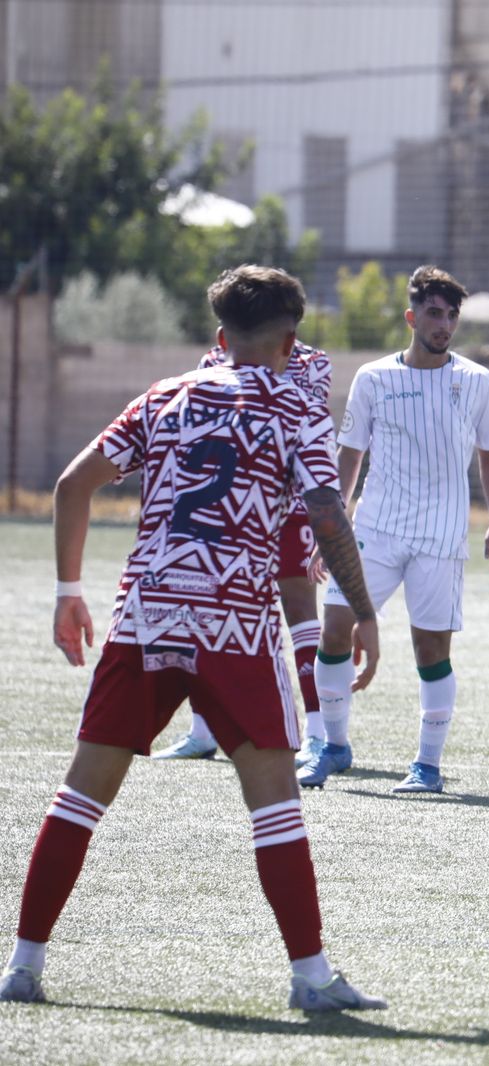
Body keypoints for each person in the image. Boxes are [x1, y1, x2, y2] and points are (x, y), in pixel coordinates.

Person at [0, 265, 385, 1010]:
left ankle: (23, 966)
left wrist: (68, 595)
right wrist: (362, 610)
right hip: (232, 621)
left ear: (219, 337)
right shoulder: (296, 407)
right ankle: (311, 979)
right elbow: (328, 513)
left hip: (146, 613)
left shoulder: (164, 397)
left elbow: (72, 486)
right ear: (289, 340)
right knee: (273, 797)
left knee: (82, 793)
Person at [299, 265, 489, 795]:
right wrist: (331, 526)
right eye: (435, 314)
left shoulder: (478, 381)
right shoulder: (374, 378)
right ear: (412, 317)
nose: (444, 324)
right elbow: (350, 456)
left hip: (440, 536)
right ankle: (333, 746)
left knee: (431, 651)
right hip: (374, 529)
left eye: (452, 315)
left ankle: (428, 766)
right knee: (334, 630)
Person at [153, 339, 333, 765]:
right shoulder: (213, 359)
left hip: (287, 507)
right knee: (206, 610)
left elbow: (303, 421)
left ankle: (319, 733)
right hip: (226, 509)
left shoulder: (313, 362)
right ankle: (202, 731)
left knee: (301, 612)